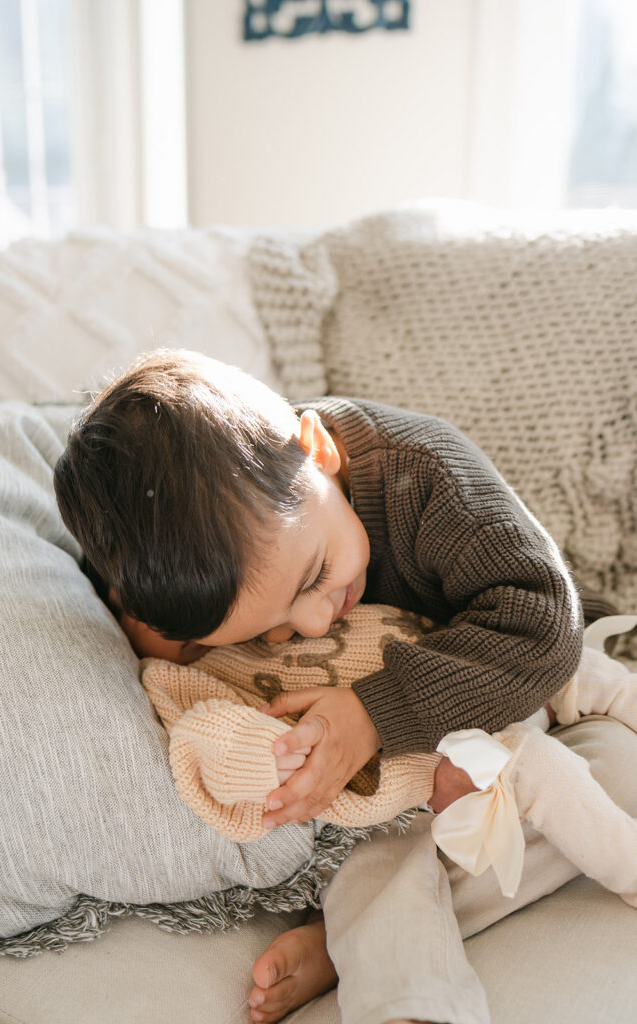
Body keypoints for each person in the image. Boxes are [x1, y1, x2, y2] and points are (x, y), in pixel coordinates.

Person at [54, 349, 634, 1024]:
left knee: (610, 775)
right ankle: (382, 967)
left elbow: (543, 621)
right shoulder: (214, 560)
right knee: (373, 871)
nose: (309, 621)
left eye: (313, 578)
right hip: (412, 791)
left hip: (539, 694)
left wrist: (374, 714)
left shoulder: (424, 473)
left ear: (318, 452)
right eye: (267, 628)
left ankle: (346, 940)